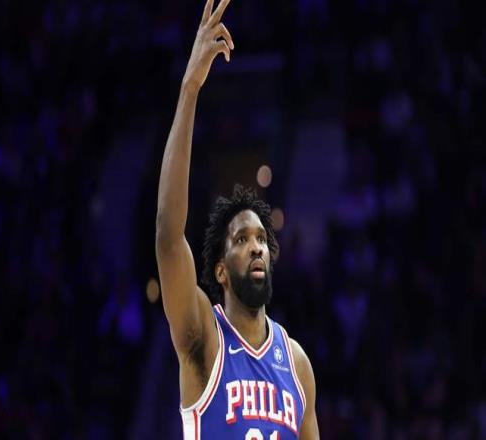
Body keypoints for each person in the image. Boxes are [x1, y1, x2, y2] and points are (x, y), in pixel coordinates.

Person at [155, 0, 320, 438]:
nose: (257, 246)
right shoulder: (203, 337)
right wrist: (190, 89)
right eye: (242, 239)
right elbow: (168, 236)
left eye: (261, 238)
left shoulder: (297, 365)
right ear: (221, 271)